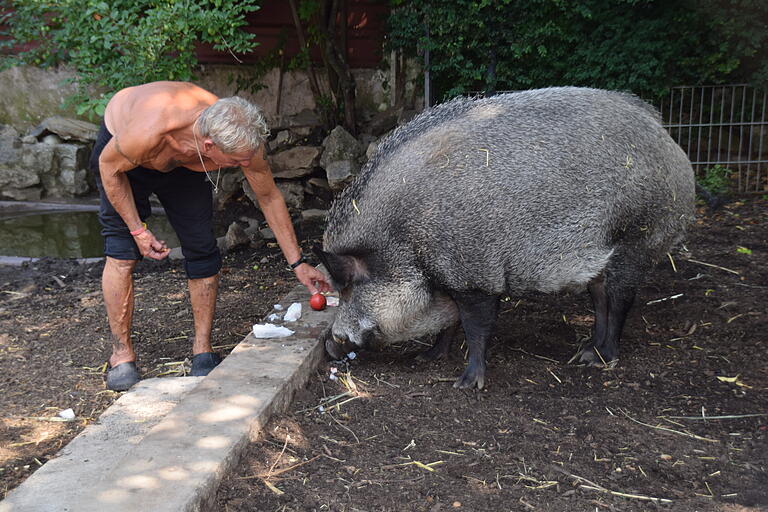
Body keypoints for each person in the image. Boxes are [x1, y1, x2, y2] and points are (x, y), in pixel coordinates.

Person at [89, 81, 332, 391]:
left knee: (203, 247)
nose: (245, 166)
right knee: (121, 252)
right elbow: (109, 168)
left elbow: (269, 197)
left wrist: (298, 263)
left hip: (183, 167)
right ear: (209, 146)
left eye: (247, 159)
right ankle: (121, 355)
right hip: (122, 160)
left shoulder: (243, 141)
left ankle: (202, 350)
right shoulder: (149, 132)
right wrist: (138, 230)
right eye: (236, 162)